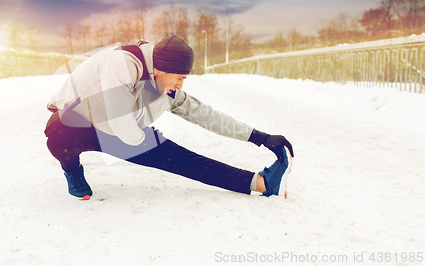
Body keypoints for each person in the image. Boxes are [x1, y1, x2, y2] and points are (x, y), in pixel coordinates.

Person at [44, 35, 294, 200]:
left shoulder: (166, 87)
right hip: (75, 124)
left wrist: (259, 137)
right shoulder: (121, 63)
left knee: (179, 157)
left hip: (121, 129)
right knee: (58, 134)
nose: (180, 85)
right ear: (160, 69)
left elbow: (204, 114)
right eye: (180, 78)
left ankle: (260, 183)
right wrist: (146, 144)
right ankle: (72, 170)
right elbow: (122, 126)